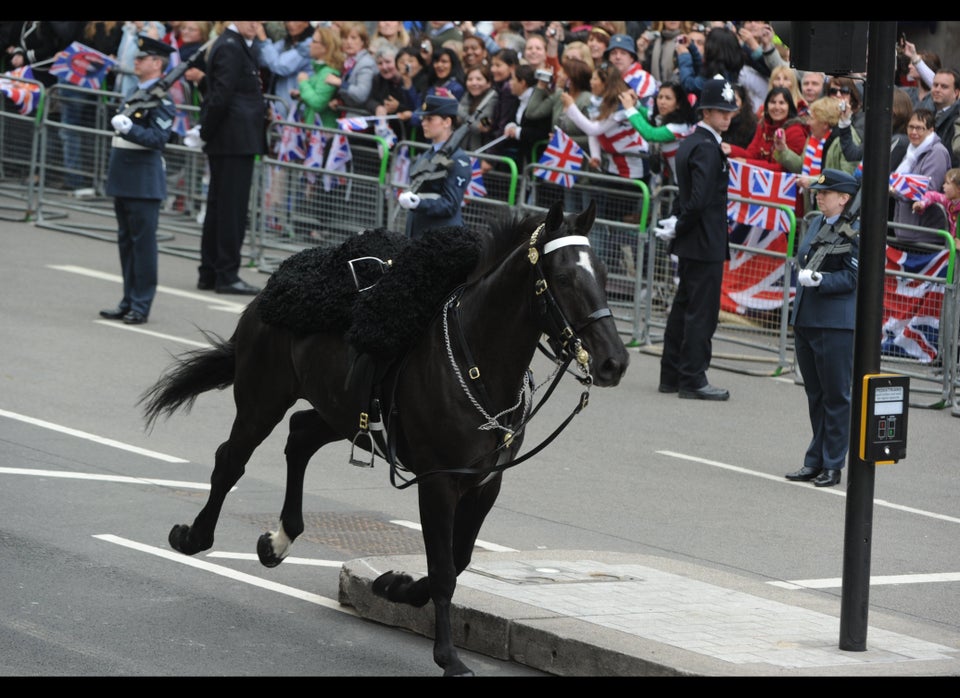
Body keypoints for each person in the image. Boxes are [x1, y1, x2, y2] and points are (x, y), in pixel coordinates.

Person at [657, 77, 738, 401]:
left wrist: (679, 222)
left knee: (683, 309)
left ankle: (672, 374)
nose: (727, 117)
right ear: (706, 112)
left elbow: (687, 194)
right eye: (721, 112)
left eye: (729, 111)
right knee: (700, 314)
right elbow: (701, 198)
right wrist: (682, 223)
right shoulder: (706, 146)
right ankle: (693, 378)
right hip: (704, 241)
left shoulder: (692, 142)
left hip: (693, 240)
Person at [785, 169, 861, 488]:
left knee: (836, 396)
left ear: (844, 198)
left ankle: (833, 463)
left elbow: (854, 277)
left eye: (825, 193)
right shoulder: (817, 222)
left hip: (834, 322)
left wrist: (822, 280)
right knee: (815, 394)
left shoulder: (855, 231)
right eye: (818, 192)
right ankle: (815, 458)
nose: (819, 196)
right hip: (808, 318)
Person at [98, 36, 176, 326]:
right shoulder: (136, 93)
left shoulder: (162, 99)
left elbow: (158, 139)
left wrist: (129, 129)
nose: (137, 61)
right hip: (123, 176)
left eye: (143, 58)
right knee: (126, 244)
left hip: (143, 181)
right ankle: (128, 299)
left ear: (157, 63)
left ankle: (141, 305)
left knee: (143, 247)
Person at [195, 20, 267, 295]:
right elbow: (221, 96)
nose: (256, 24)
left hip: (232, 138)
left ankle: (211, 272)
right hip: (232, 140)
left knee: (219, 208)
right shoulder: (230, 46)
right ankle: (226, 274)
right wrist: (206, 131)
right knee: (230, 211)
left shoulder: (235, 45)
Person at [396, 94, 470, 239]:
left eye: (430, 119)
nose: (424, 123)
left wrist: (419, 203)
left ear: (447, 122)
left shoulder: (459, 159)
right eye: (423, 119)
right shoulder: (427, 155)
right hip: (419, 234)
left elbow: (450, 204)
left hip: (442, 238)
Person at [891, 108, 953, 245]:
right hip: (907, 232)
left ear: (931, 130)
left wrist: (896, 190)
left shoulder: (937, 153)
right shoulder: (912, 151)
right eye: (911, 127)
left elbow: (928, 189)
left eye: (919, 128)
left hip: (925, 236)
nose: (914, 132)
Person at [726, 86, 807, 172]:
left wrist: (747, 163)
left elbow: (782, 169)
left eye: (782, 103)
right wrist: (730, 149)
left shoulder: (795, 131)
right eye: (772, 102)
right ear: (767, 106)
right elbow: (752, 154)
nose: (777, 107)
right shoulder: (762, 126)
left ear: (789, 107)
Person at [255, 20, 313, 114]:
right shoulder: (286, 42)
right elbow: (263, 60)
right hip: (279, 104)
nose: (290, 24)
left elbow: (280, 66)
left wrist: (263, 39)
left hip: (296, 106)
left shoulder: (309, 45)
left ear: (306, 23)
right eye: (287, 21)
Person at [329, 21, 376, 114]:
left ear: (363, 41)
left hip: (361, 119)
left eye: (353, 38)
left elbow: (361, 95)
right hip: (348, 114)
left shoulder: (366, 63)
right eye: (345, 38)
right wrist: (340, 101)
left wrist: (340, 83)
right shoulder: (348, 61)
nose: (348, 42)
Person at [604, 33, 658, 110]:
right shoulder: (604, 77)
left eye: (623, 53)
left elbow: (643, 112)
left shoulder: (644, 79)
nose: (618, 57)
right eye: (613, 53)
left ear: (632, 58)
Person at [457, 64, 498, 152]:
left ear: (488, 83)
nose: (474, 83)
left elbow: (481, 127)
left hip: (482, 150)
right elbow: (458, 120)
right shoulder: (467, 96)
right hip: (463, 147)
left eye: (479, 79)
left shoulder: (493, 98)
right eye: (470, 79)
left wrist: (459, 111)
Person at [913, 167, 960, 237]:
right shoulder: (949, 201)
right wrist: (922, 204)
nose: (943, 186)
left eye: (947, 183)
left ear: (959, 188)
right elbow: (932, 195)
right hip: (952, 244)